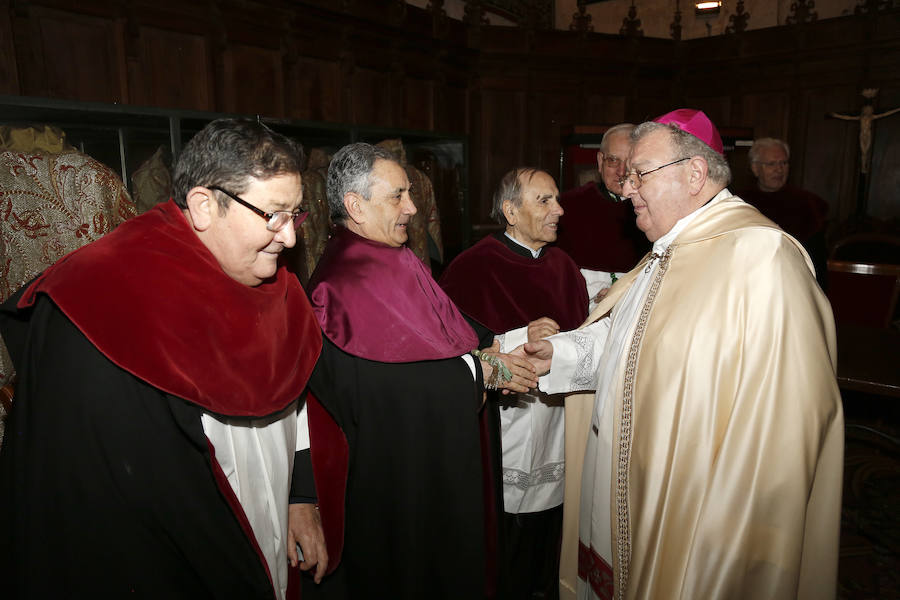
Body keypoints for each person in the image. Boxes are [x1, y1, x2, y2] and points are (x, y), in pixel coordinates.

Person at [521, 109, 843, 599]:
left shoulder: (761, 259)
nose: (626, 189)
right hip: (629, 481)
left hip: (694, 505)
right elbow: (629, 338)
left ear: (694, 174)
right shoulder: (670, 249)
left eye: (639, 174)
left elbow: (783, 427)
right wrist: (559, 356)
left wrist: (723, 533)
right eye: (625, 175)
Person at [0, 118, 326, 599]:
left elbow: (293, 397)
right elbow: (109, 502)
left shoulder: (276, 283)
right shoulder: (102, 298)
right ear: (203, 206)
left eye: (294, 215)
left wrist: (298, 496)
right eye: (273, 215)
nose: (291, 239)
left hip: (272, 521)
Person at [302, 142, 537, 599]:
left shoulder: (393, 255)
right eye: (398, 196)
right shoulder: (339, 286)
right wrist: (478, 372)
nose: (412, 208)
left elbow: (444, 324)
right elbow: (380, 387)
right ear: (355, 205)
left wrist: (500, 345)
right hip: (400, 482)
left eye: (409, 193)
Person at [440, 167, 588, 600]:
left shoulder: (563, 265)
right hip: (507, 423)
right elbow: (455, 350)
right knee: (508, 535)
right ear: (510, 210)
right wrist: (519, 338)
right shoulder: (473, 267)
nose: (559, 210)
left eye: (556, 199)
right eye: (544, 201)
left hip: (560, 419)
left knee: (551, 528)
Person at [555, 123, 649, 291]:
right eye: (613, 160)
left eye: (630, 162)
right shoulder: (567, 207)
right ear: (600, 161)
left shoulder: (655, 208)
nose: (622, 171)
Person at [740, 137, 829, 288]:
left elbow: (817, 260)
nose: (779, 169)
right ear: (755, 168)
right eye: (771, 164)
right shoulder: (741, 204)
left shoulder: (808, 204)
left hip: (795, 283)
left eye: (784, 163)